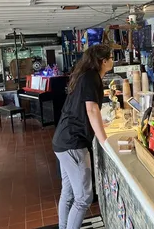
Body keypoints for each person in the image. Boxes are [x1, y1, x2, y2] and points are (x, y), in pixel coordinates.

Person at [52, 44, 113, 229]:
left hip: (62, 140)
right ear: (103, 61)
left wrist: (101, 126)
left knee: (68, 193)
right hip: (74, 143)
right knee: (83, 198)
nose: (112, 61)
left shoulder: (85, 75)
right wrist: (105, 142)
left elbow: (86, 110)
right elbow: (92, 109)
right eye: (111, 58)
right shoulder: (91, 77)